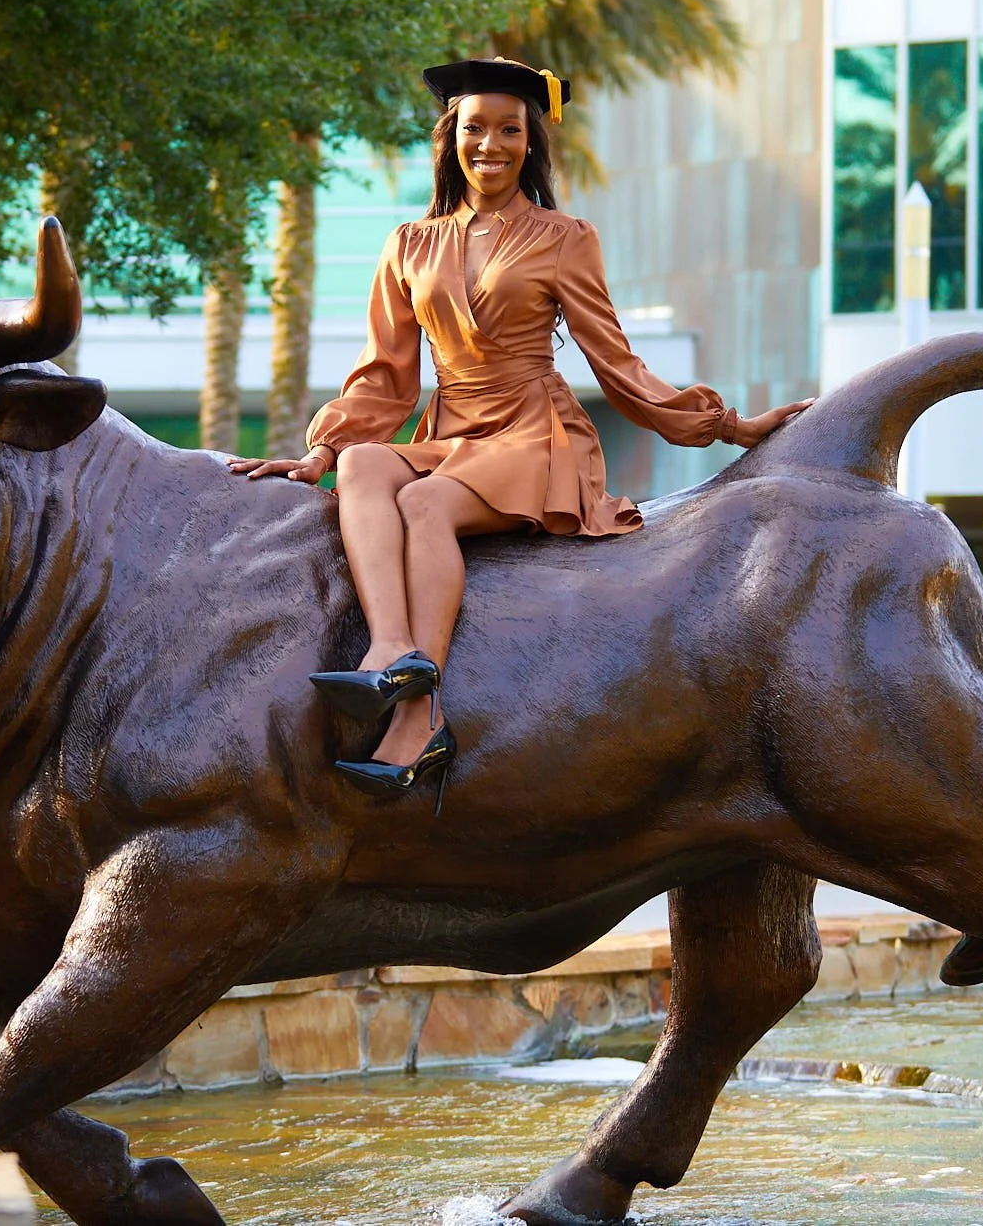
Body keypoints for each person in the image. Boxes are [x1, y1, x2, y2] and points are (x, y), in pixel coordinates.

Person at [228, 58, 811, 800]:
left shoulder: (565, 237)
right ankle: (390, 645)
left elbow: (616, 363)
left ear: (531, 142)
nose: (491, 145)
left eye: (510, 130)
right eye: (476, 128)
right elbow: (386, 377)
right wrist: (322, 450)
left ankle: (418, 717)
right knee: (368, 467)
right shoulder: (409, 244)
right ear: (452, 137)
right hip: (451, 427)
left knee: (425, 502)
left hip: (534, 433)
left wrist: (728, 424)